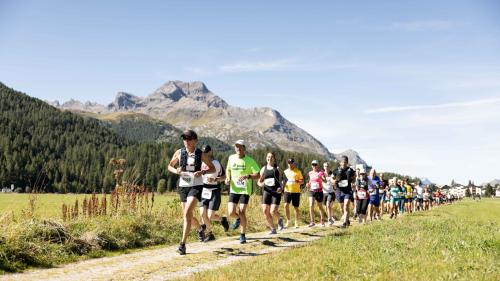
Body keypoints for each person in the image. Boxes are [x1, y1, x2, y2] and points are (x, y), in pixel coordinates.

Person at [167, 130, 216, 255]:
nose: (186, 141)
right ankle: (200, 228)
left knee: (187, 212)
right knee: (186, 214)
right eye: (184, 139)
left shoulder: (200, 154)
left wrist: (202, 172)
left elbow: (212, 168)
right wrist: (176, 171)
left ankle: (182, 245)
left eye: (189, 139)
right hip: (183, 186)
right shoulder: (179, 152)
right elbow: (169, 166)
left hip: (196, 185)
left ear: (195, 140)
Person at [225, 140, 260, 244]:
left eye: (240, 147)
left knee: (241, 212)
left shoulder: (250, 160)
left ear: (244, 148)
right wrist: (227, 178)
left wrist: (248, 176)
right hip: (234, 189)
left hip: (245, 190)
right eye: (236, 147)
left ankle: (242, 235)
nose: (238, 149)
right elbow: (228, 170)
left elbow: (258, 174)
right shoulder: (231, 158)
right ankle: (238, 219)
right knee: (231, 212)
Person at [198, 144, 229, 242]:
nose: (205, 154)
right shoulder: (200, 163)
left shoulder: (216, 163)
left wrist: (215, 179)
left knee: (210, 215)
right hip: (204, 191)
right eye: (204, 153)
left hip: (214, 191)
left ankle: (222, 219)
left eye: (207, 152)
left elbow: (224, 177)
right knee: (203, 213)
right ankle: (210, 233)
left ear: (211, 152)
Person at [257, 152, 283, 234]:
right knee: (265, 211)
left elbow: (282, 179)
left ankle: (280, 218)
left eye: (271, 157)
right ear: (266, 158)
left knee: (273, 211)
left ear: (274, 159)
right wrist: (261, 184)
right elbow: (259, 181)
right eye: (268, 157)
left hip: (276, 192)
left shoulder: (277, 168)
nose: (270, 158)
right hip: (266, 192)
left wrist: (281, 187)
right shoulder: (263, 169)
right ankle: (273, 229)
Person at [333, 156, 356, 228]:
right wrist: (333, 181)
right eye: (342, 162)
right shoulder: (336, 170)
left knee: (346, 206)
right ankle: (347, 219)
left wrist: (353, 182)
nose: (344, 163)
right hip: (339, 191)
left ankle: (344, 223)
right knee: (342, 208)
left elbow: (354, 177)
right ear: (340, 163)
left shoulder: (350, 170)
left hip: (348, 191)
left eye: (345, 162)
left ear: (347, 162)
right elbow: (331, 178)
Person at [282, 158, 304, 228]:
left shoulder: (298, 171)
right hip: (287, 191)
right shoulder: (285, 172)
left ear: (294, 163)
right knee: (285, 205)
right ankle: (288, 221)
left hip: (296, 192)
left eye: (291, 163)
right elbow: (282, 181)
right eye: (289, 163)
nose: (290, 164)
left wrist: (298, 181)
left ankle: (296, 222)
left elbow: (302, 181)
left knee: (296, 208)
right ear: (287, 164)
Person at [307, 160, 326, 227]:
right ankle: (312, 221)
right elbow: (310, 181)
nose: (314, 166)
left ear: (318, 165)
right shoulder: (310, 173)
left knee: (320, 206)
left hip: (319, 191)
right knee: (311, 205)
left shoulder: (321, 172)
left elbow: (325, 181)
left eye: (315, 164)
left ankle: (322, 220)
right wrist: (308, 184)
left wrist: (321, 177)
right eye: (313, 165)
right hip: (312, 191)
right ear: (311, 165)